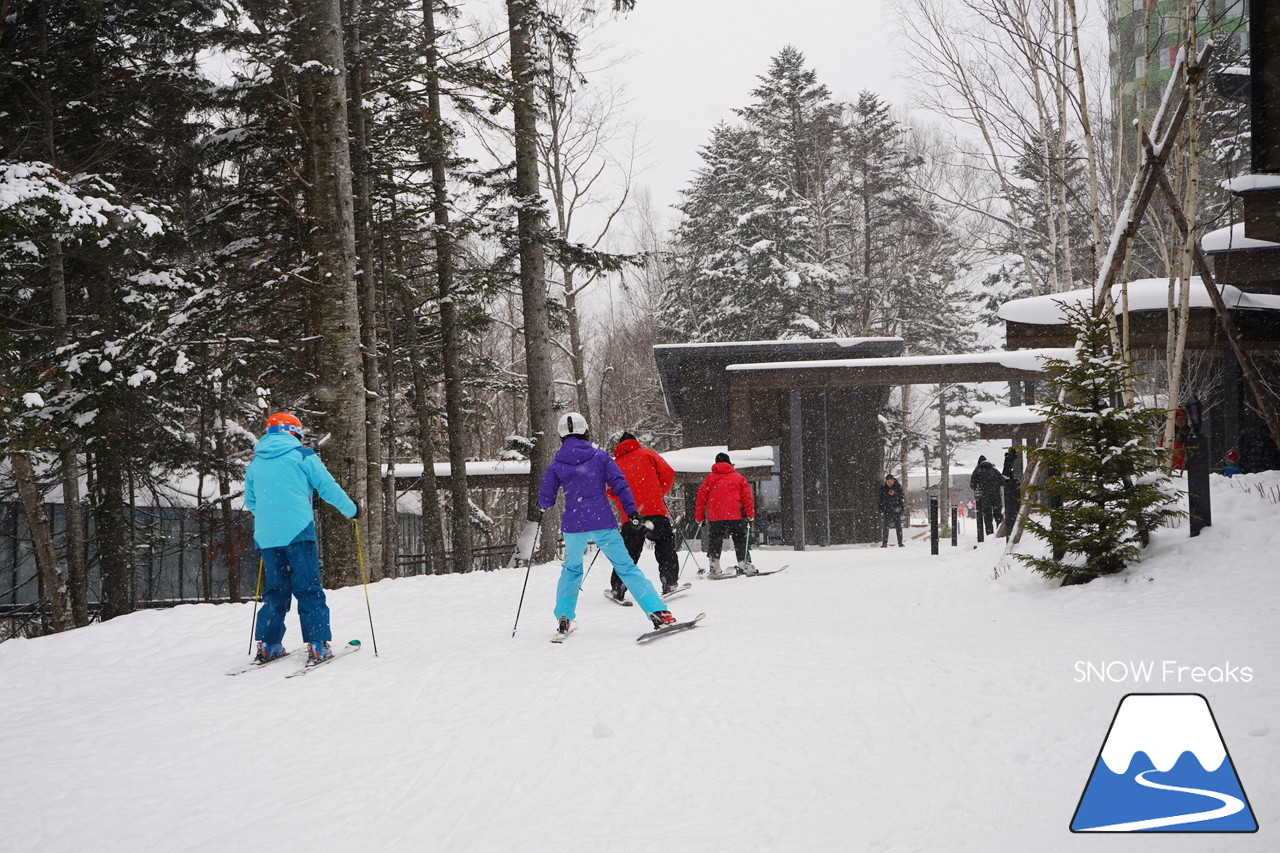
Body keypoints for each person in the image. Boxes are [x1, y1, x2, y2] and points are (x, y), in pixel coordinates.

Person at [537, 412, 676, 637]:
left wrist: (542, 506)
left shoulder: (556, 464)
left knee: (572, 570)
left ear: (561, 434)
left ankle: (564, 619)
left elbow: (546, 498)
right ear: (585, 431)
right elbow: (619, 484)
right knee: (627, 568)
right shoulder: (600, 457)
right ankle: (659, 613)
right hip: (602, 522)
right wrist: (631, 511)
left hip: (574, 526)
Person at [244, 412, 358, 665]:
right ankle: (317, 645)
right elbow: (327, 487)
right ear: (295, 432)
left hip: (267, 535)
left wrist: (272, 519)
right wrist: (352, 510)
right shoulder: (302, 455)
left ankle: (269, 645)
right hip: (297, 531)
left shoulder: (255, 463)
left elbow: (251, 501)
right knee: (308, 588)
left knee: (275, 590)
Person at [606, 431, 682, 598]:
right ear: (635, 442)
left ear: (619, 445)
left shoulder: (615, 464)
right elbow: (668, 474)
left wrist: (620, 499)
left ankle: (619, 586)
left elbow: (610, 490)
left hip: (631, 515)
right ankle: (669, 581)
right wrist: (658, 491)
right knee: (665, 545)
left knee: (628, 553)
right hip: (656, 510)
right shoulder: (649, 454)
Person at [694, 452, 756, 578]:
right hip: (735, 514)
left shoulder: (709, 478)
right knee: (739, 539)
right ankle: (744, 563)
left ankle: (714, 564)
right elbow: (747, 499)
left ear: (716, 464)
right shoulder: (739, 478)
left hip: (715, 515)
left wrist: (700, 517)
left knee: (715, 539)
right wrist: (749, 515)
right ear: (729, 463)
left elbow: (701, 499)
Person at [969, 455, 1006, 537]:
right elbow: (1003, 481)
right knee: (998, 514)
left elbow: (972, 485)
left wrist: (980, 485)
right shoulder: (994, 470)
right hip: (996, 495)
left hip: (985, 496)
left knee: (987, 515)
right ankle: (1000, 533)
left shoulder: (977, 470)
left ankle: (989, 534)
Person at [879, 474, 905, 548]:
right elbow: (880, 498)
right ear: (886, 481)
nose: (890, 483)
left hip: (896, 508)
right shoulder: (883, 487)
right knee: (885, 526)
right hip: (887, 508)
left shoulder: (898, 486)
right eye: (888, 481)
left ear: (893, 480)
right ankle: (884, 543)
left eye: (891, 481)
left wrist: (895, 495)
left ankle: (900, 542)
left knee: (898, 526)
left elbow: (901, 497)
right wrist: (881, 508)